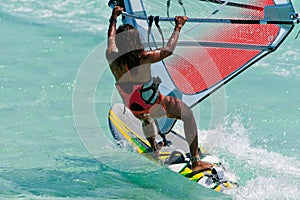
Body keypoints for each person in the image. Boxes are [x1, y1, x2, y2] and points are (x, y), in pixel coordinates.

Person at [106, 6, 212, 171]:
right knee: (187, 115)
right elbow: (168, 51)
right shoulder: (144, 58)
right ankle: (196, 162)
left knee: (146, 118)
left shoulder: (112, 57)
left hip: (134, 107)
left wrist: (114, 17)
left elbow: (110, 36)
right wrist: (178, 27)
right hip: (153, 104)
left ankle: (154, 147)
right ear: (136, 41)